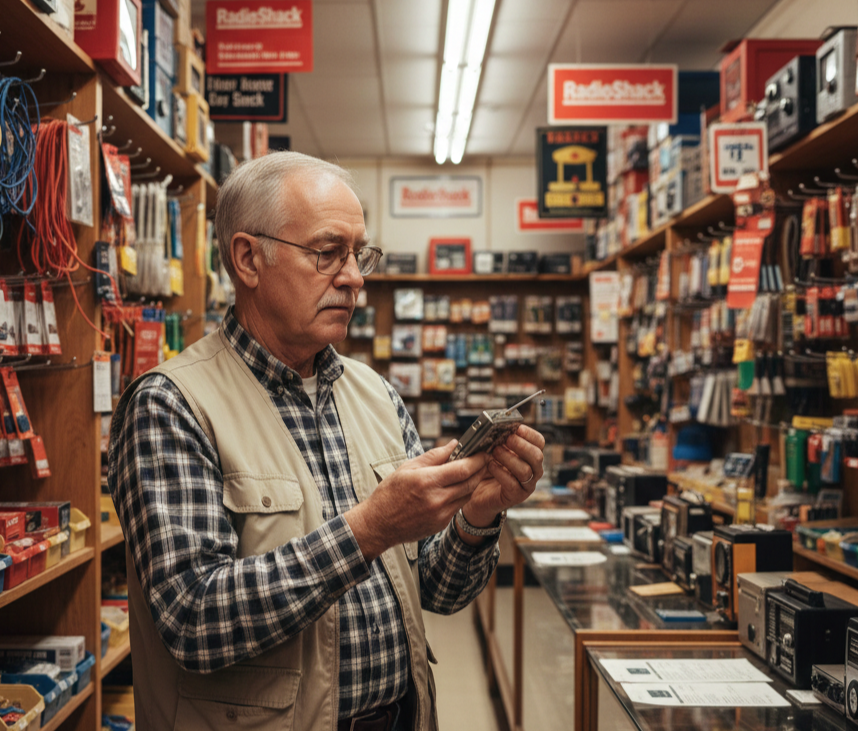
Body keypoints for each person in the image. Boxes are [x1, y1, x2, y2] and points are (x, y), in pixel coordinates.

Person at [107, 151, 546, 731]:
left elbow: (435, 591)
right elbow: (193, 620)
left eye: (359, 254)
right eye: (327, 252)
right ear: (248, 259)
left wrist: (478, 517)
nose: (355, 277)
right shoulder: (170, 405)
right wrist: (369, 530)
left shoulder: (376, 395)